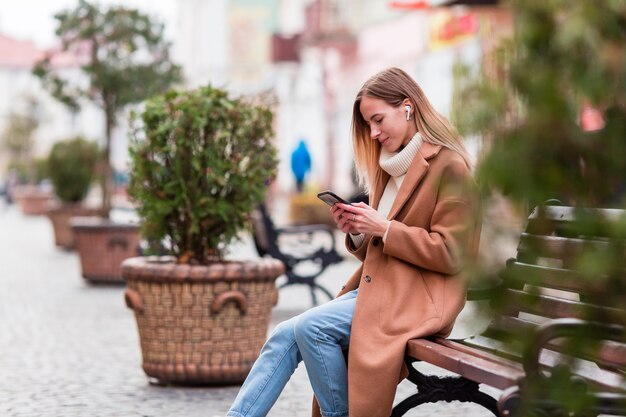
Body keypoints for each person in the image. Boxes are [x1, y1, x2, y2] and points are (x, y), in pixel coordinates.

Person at [225, 67, 481, 417]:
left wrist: (385, 228)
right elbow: (381, 245)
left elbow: (454, 253)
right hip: (380, 291)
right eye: (367, 125)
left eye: (378, 120)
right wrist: (359, 230)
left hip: (417, 298)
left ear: (407, 107)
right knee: (285, 334)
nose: (373, 133)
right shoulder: (389, 167)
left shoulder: (450, 166)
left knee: (311, 329)